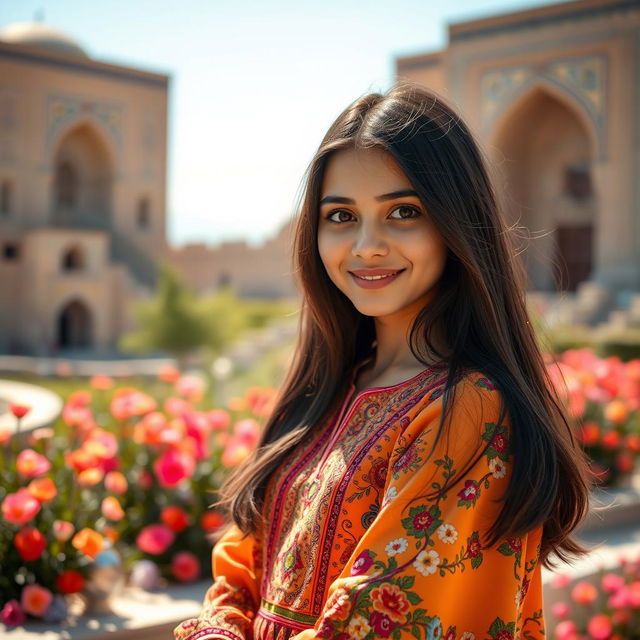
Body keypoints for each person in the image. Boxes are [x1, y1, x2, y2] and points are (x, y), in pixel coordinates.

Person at [173, 82, 592, 640]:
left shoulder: (466, 410)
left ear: (455, 223)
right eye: (341, 216)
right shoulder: (330, 389)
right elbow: (243, 556)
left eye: (402, 212)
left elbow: (382, 623)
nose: (366, 245)